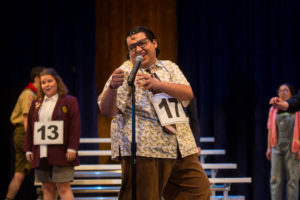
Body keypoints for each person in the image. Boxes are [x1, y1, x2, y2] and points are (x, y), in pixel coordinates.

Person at [98, 26, 210, 200]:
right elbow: (106, 111)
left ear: (154, 43)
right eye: (132, 47)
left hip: (180, 146)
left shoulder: (169, 67)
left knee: (198, 191)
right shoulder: (126, 72)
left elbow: (188, 94)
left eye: (142, 43)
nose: (138, 49)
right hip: (146, 149)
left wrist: (158, 85)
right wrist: (113, 87)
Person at [24, 68, 81, 200]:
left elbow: (75, 127)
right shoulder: (36, 103)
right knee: (47, 188)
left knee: (63, 187)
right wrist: (28, 149)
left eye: (49, 81)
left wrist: (72, 148)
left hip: (61, 152)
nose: (46, 85)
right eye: (43, 82)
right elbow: (31, 128)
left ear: (57, 82)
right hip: (41, 152)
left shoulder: (69, 101)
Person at [6, 66, 45, 200]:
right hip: (25, 134)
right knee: (45, 165)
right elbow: (27, 120)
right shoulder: (29, 94)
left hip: (22, 134)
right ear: (36, 79)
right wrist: (32, 141)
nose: (45, 83)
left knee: (19, 174)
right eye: (43, 80)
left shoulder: (35, 95)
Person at [266, 83, 300, 200]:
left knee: (292, 179)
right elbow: (270, 130)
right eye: (280, 91)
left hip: (293, 147)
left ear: (292, 93)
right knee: (275, 179)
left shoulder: (297, 110)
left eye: (286, 91)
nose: (283, 93)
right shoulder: (273, 110)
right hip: (277, 147)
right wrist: (269, 148)